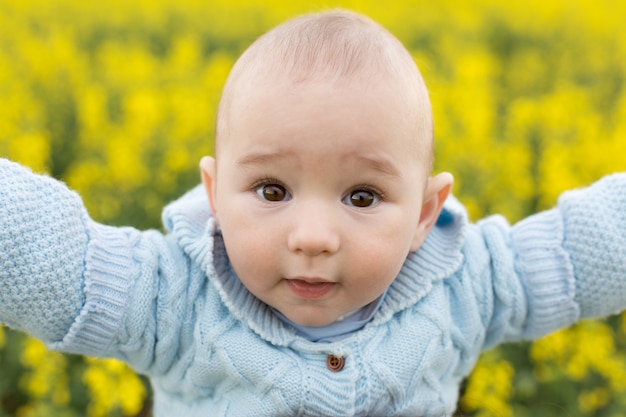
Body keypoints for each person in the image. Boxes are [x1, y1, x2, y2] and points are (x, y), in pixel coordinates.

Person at [1, 9, 626, 417]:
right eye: (272, 191)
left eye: (362, 197)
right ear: (215, 196)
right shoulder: (175, 298)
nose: (313, 237)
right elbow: (61, 262)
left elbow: (580, 251)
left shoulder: (465, 282)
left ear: (423, 215)